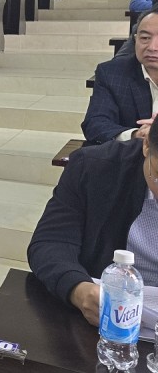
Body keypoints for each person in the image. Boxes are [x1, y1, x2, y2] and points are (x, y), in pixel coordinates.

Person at [28, 132, 158, 327]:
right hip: (113, 318)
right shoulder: (94, 166)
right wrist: (79, 289)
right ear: (146, 145)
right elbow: (51, 242)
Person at [82, 9, 158, 144]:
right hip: (131, 159)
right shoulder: (112, 73)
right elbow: (95, 123)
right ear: (135, 40)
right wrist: (136, 134)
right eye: (145, 38)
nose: (152, 47)